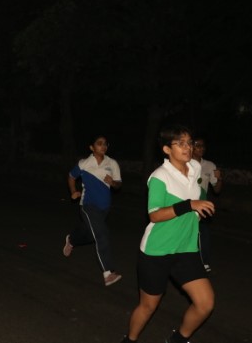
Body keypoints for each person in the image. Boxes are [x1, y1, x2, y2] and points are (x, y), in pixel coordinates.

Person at [120, 125, 215, 343]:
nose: (187, 147)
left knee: (205, 304)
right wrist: (189, 205)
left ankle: (178, 339)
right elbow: (154, 215)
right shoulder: (159, 177)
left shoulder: (195, 168)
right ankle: (130, 340)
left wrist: (200, 207)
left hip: (186, 249)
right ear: (166, 149)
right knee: (148, 306)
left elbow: (196, 192)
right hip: (157, 252)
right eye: (180, 143)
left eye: (189, 143)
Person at [63, 134, 123, 286]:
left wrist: (113, 182)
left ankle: (72, 240)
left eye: (105, 144)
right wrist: (73, 191)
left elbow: (118, 184)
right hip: (88, 205)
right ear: (92, 147)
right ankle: (108, 273)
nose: (103, 146)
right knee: (102, 234)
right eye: (99, 143)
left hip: (104, 208)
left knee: (92, 235)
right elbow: (71, 176)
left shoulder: (112, 163)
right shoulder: (84, 163)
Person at [191, 136, 223, 273]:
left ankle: (204, 262)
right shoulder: (184, 163)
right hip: (187, 204)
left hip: (201, 205)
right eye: (197, 145)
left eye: (203, 146)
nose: (201, 148)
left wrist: (219, 178)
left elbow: (217, 190)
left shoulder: (210, 165)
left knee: (203, 233)